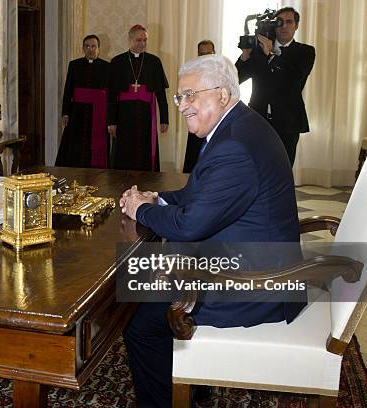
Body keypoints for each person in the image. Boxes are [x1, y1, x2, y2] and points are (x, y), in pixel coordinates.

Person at [119, 55, 304, 407]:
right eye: (179, 98)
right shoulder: (236, 127)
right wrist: (155, 198)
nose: (183, 105)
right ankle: (194, 383)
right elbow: (196, 196)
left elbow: (191, 225)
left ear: (222, 94)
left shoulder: (234, 144)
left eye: (191, 95)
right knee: (148, 281)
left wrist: (140, 209)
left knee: (138, 324)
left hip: (255, 284)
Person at [235, 6, 315, 166]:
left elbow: (295, 78)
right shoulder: (258, 51)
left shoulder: (305, 51)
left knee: (283, 169)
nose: (284, 26)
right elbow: (236, 78)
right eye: (280, 22)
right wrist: (245, 56)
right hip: (259, 119)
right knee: (256, 166)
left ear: (296, 26)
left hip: (288, 122)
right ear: (274, 25)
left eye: (289, 22)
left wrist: (271, 52)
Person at [108, 24, 169, 171]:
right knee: (123, 152)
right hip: (124, 115)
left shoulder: (154, 62)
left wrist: (164, 119)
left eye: (145, 40)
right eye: (139, 40)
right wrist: (111, 121)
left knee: (146, 150)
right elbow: (111, 95)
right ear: (130, 40)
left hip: (146, 115)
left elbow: (160, 93)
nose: (142, 44)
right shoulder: (117, 61)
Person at [55, 34, 110, 168]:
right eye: (87, 46)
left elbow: (110, 94)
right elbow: (68, 90)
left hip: (98, 113)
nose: (90, 49)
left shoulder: (107, 66)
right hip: (77, 112)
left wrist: (110, 118)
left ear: (98, 49)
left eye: (93, 46)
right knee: (75, 143)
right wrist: (65, 113)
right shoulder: (74, 65)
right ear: (83, 48)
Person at [183, 39, 215, 173]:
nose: (206, 57)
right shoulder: (190, 72)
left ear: (214, 53)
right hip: (197, 119)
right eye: (202, 54)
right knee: (193, 158)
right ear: (198, 54)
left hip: (214, 120)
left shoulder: (221, 73)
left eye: (209, 53)